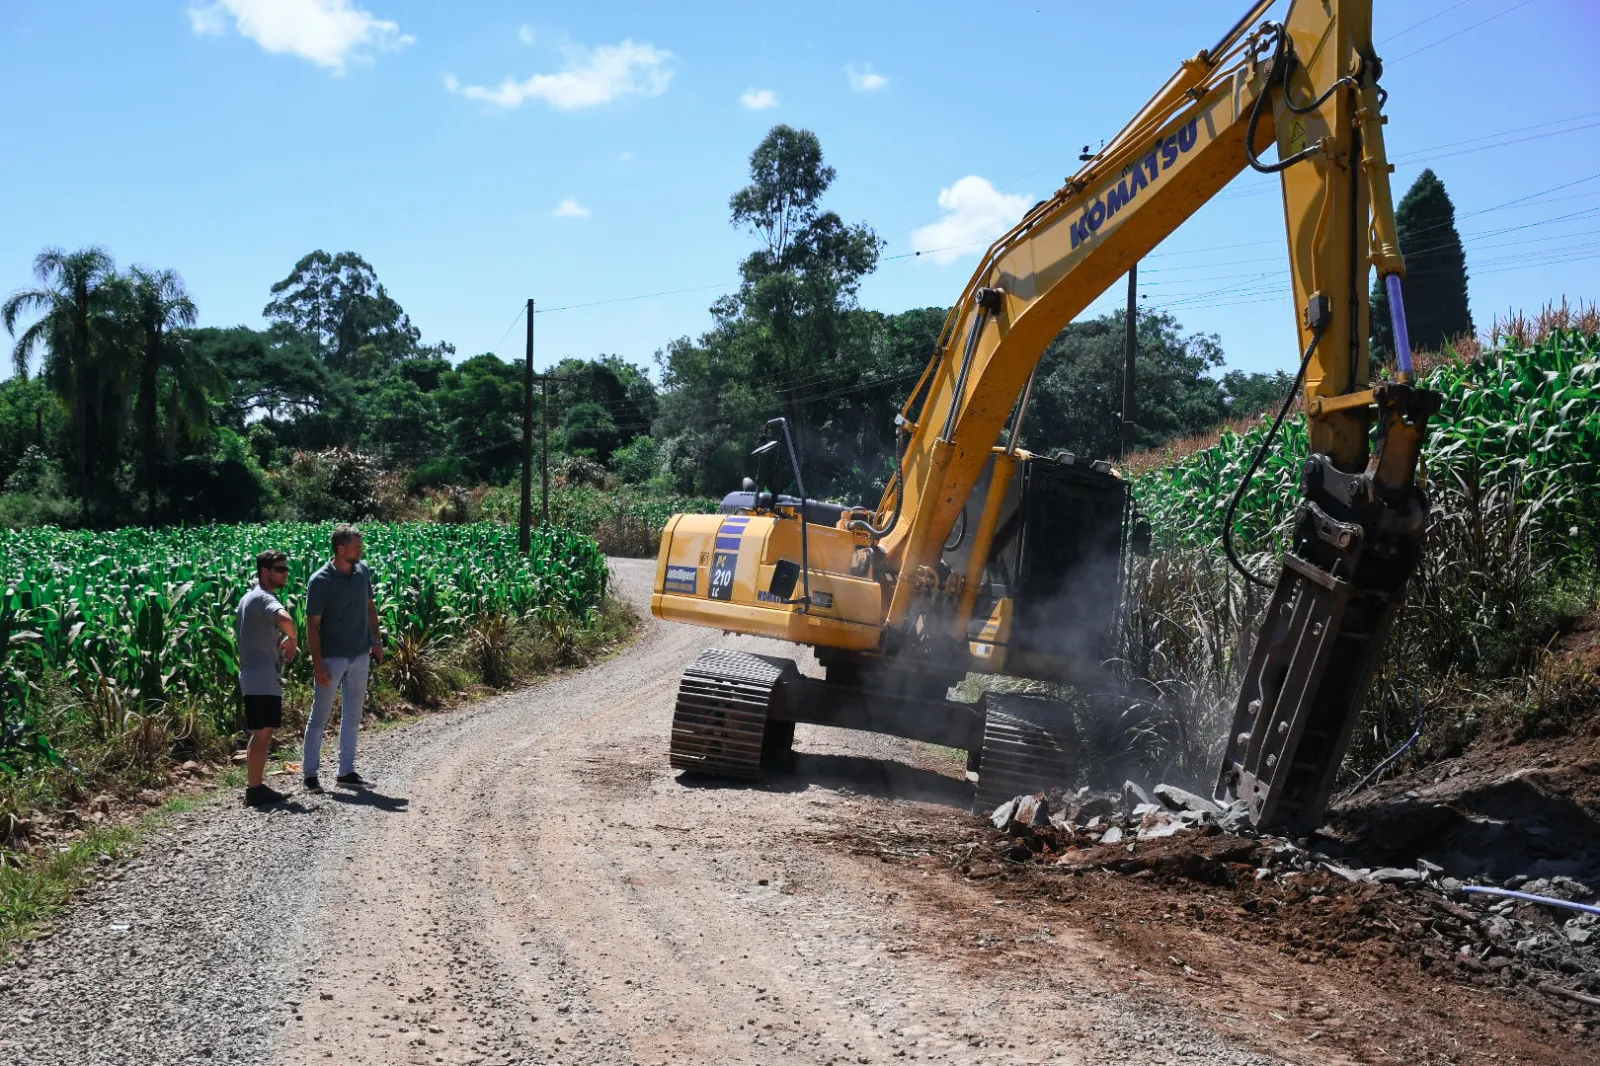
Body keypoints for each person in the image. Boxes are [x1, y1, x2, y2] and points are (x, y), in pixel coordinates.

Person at [303, 524, 384, 791]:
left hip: (361, 655)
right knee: (320, 717)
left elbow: (370, 607)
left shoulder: (363, 572)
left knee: (353, 716)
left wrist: (377, 640)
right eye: (357, 546)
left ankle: (346, 771)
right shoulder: (320, 581)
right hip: (332, 658)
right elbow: (312, 625)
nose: (361, 551)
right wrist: (317, 663)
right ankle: (310, 776)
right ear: (341, 549)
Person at [237, 549, 298, 807]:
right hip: (261, 677)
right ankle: (255, 789)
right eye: (280, 569)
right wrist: (293, 639)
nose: (286, 574)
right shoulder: (264, 597)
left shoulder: (247, 597)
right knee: (263, 734)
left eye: (286, 569)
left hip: (253, 675)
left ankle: (255, 786)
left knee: (259, 732)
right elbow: (284, 617)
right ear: (265, 572)